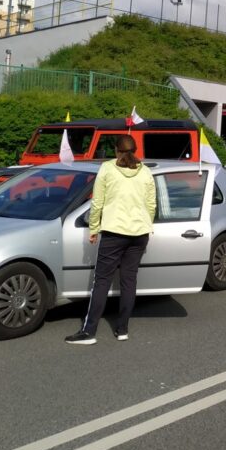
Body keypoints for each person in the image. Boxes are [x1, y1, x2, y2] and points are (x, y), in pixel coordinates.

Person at [66, 133, 156, 345]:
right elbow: (152, 205)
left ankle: (89, 332)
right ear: (135, 151)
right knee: (129, 281)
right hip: (139, 233)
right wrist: (146, 225)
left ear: (116, 150)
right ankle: (123, 329)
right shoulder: (146, 172)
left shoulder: (107, 168)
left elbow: (97, 203)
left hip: (114, 232)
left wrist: (94, 228)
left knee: (102, 281)